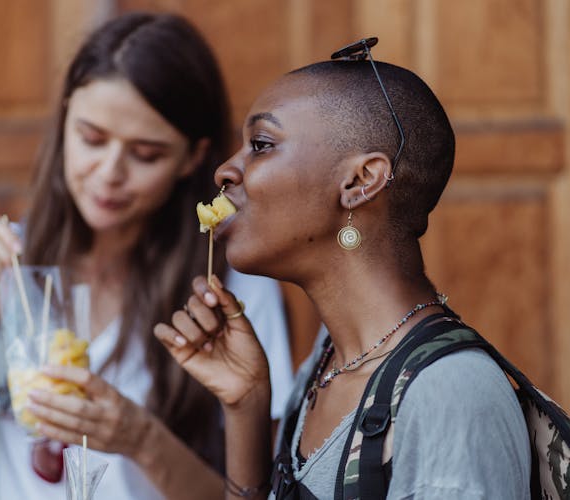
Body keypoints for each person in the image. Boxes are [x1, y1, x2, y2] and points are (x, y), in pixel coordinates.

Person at [0, 12, 293, 500]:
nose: (109, 172)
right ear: (63, 125)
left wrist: (140, 438)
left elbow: (254, 494)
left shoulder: (234, 291)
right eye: (92, 139)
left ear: (191, 158)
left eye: (145, 154)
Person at [154, 39, 532, 499]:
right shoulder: (326, 363)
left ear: (359, 181)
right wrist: (246, 406)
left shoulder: (449, 394)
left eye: (260, 145)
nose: (226, 172)